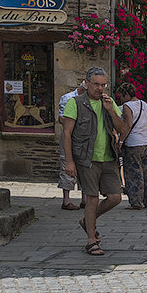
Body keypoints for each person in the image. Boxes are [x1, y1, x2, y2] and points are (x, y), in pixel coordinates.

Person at [60, 67, 128, 256]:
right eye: (96, 84)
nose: (100, 88)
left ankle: (86, 221)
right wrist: (69, 162)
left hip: (108, 157)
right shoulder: (75, 103)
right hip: (86, 158)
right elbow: (66, 134)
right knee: (92, 198)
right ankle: (91, 240)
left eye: (103, 84)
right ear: (87, 83)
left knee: (115, 197)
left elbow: (122, 128)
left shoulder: (109, 102)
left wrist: (111, 111)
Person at [120, 85, 147, 210]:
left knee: (133, 173)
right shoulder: (145, 105)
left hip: (134, 143)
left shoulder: (127, 106)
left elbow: (128, 125)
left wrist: (120, 141)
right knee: (145, 172)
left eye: (121, 96)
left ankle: (136, 202)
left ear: (126, 94)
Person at [57, 81, 86, 211]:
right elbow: (61, 119)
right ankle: (66, 200)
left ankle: (85, 199)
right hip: (70, 135)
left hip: (84, 137)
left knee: (85, 165)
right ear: (83, 90)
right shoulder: (68, 98)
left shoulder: (89, 100)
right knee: (66, 163)